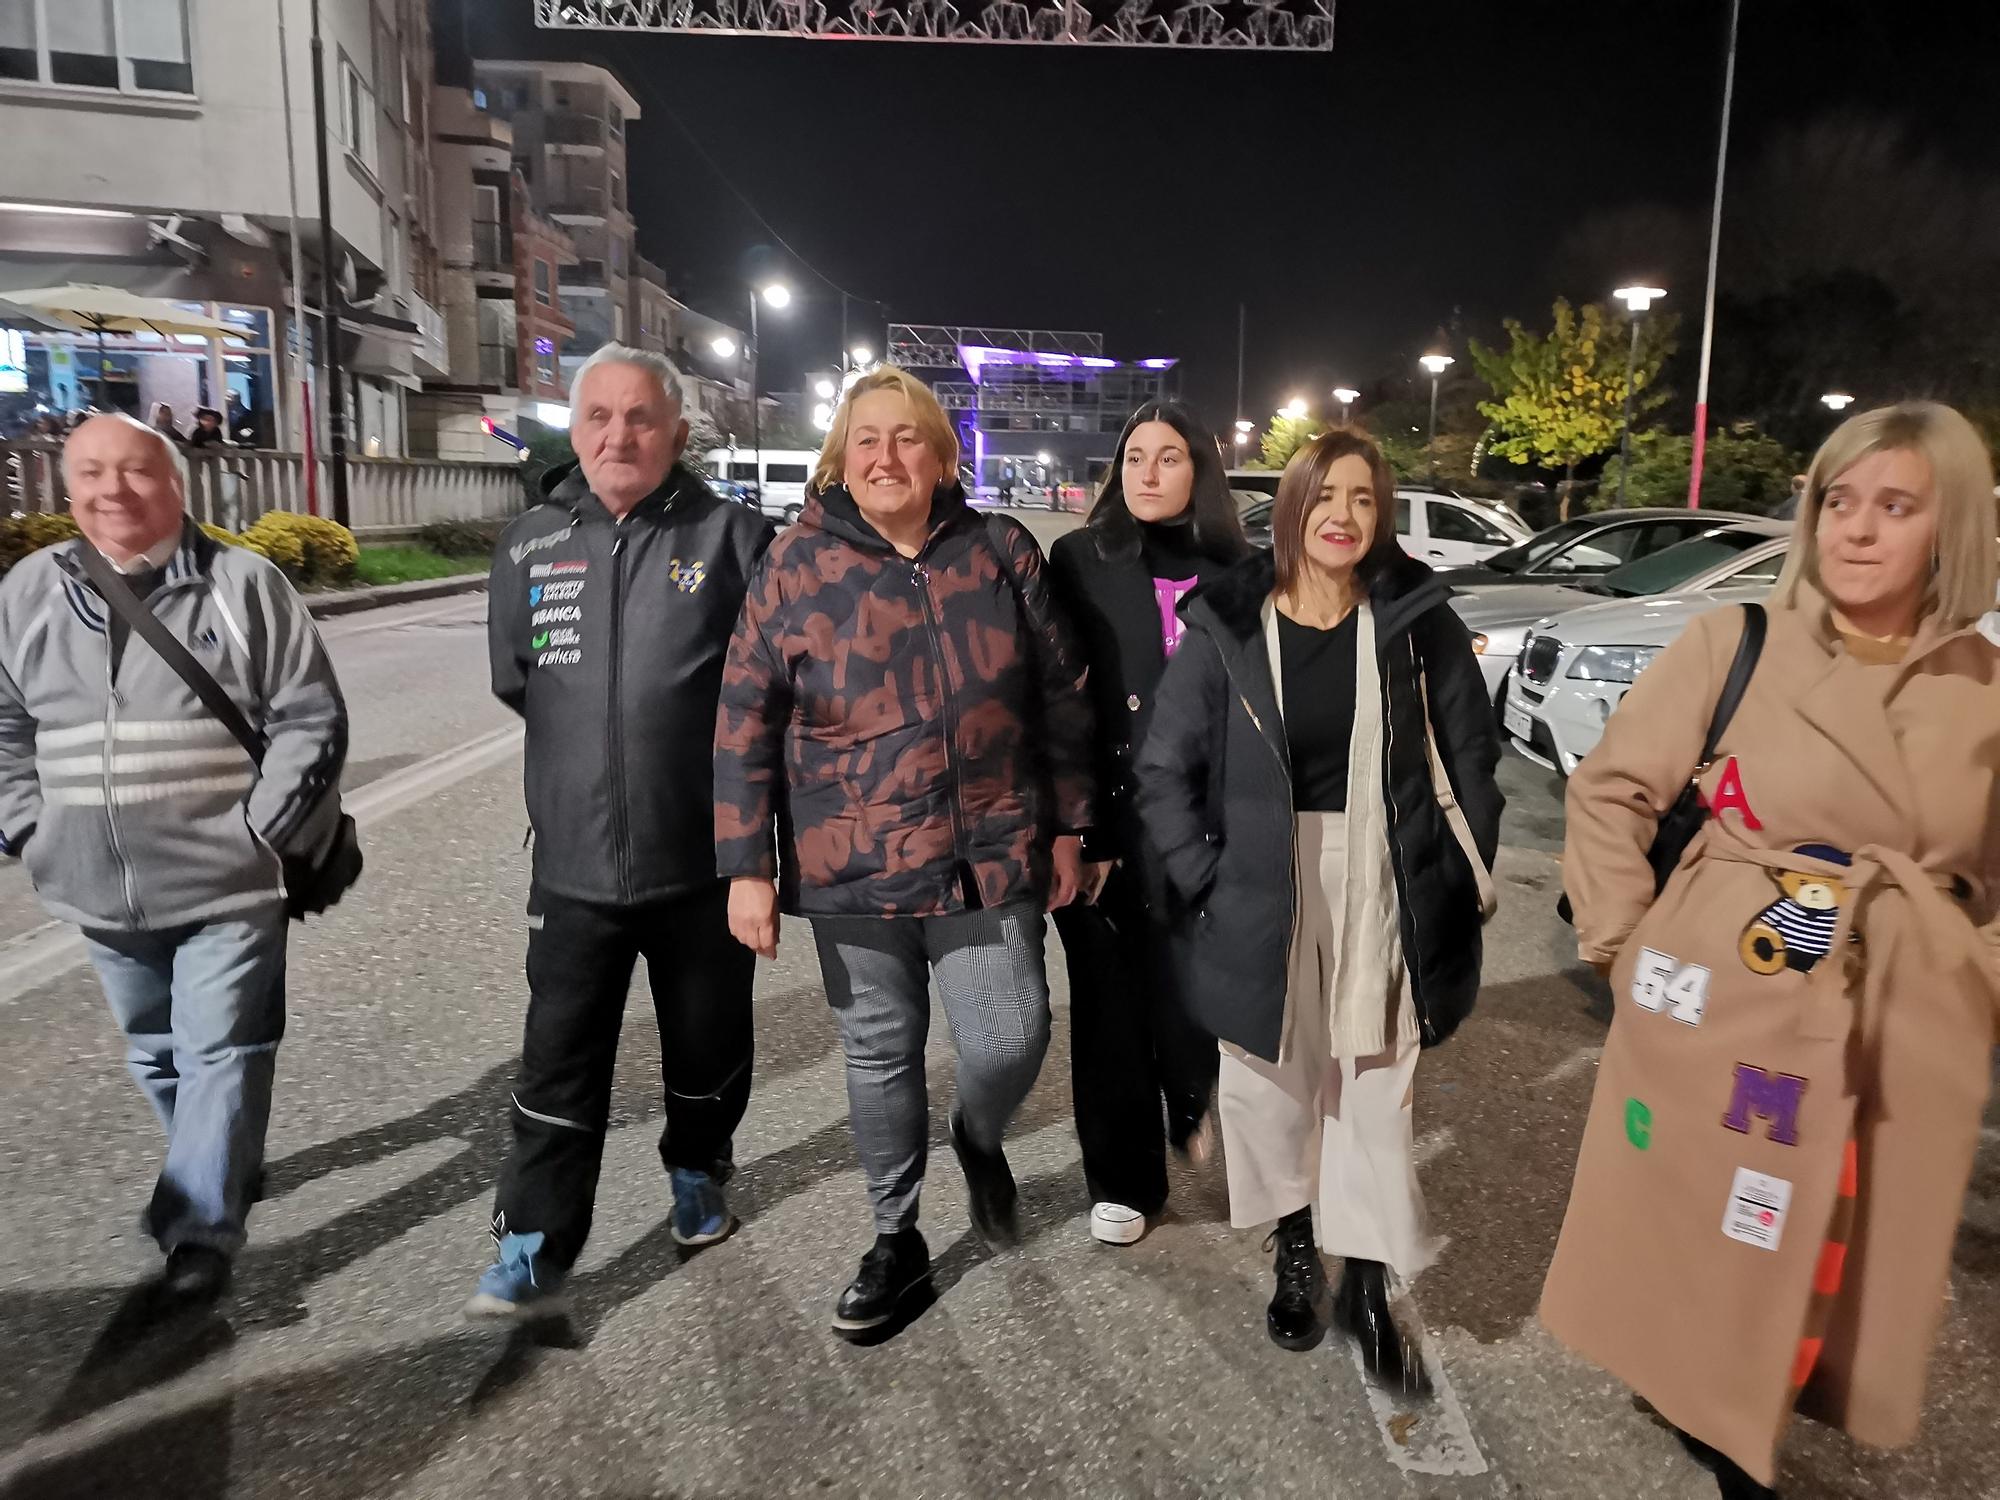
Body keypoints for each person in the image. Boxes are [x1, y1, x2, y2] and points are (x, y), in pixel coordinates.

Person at [1541, 401, 2000, 1499]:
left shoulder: (1983, 689)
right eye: (1834, 501)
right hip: (1732, 995)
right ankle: (1722, 1420)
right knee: (1726, 1239)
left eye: (1893, 505)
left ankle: (1748, 1395)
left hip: (1899, 1017)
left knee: (1843, 1244)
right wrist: (1626, 952)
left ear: (1954, 527)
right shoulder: (1732, 639)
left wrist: (1973, 975)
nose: (1852, 529)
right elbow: (1608, 795)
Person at [715, 366, 1094, 1339]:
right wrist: (746, 864)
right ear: (841, 459)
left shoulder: (998, 549)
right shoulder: (796, 562)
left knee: (1010, 1037)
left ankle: (975, 1134)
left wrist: (1069, 823)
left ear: (941, 456)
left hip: (988, 851)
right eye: (868, 440)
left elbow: (1060, 690)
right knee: (879, 1059)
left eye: (907, 438)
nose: (887, 457)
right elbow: (744, 714)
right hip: (850, 861)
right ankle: (896, 1238)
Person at [1136, 427, 1501, 1377]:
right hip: (1261, 875)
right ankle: (1296, 1247)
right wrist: (1206, 877)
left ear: (1379, 517)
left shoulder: (1418, 618)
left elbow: (1472, 757)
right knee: (1274, 1083)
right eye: (1325, 495)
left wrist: (1459, 872)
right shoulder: (1229, 622)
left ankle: (1370, 1284)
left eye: (1364, 499)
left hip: (1387, 872)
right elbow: (1165, 767)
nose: (1343, 516)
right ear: (1293, 505)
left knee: (1376, 1088)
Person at [0, 414, 349, 1302]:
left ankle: (199, 1229)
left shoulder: (243, 584)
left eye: (135, 471)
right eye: (90, 473)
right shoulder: (29, 592)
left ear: (176, 484)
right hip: (91, 884)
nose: (113, 491)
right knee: (155, 1054)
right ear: (65, 486)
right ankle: (222, 1162)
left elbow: (309, 717)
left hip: (227, 881)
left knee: (222, 1049)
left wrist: (257, 834)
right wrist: (27, 826)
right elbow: (6, 725)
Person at [466, 345, 774, 1321]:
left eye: (639, 418)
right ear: (574, 425)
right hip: (573, 866)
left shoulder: (734, 539)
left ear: (677, 432)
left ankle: (697, 1168)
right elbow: (519, 680)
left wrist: (753, 855)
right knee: (556, 1056)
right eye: (597, 416)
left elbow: (767, 700)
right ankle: (532, 1237)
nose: (616, 435)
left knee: (705, 1043)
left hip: (700, 864)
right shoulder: (528, 543)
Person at [1046, 402, 1251, 1246]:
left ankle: (1194, 1097)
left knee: (1194, 996)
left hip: (1210, 828)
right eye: (1134, 456)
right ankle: (1124, 1178)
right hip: (1110, 825)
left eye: (1169, 457)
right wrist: (1079, 832)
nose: (1148, 472)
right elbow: (1059, 701)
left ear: (1200, 470)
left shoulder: (1242, 571)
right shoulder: (1080, 559)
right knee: (1110, 1008)